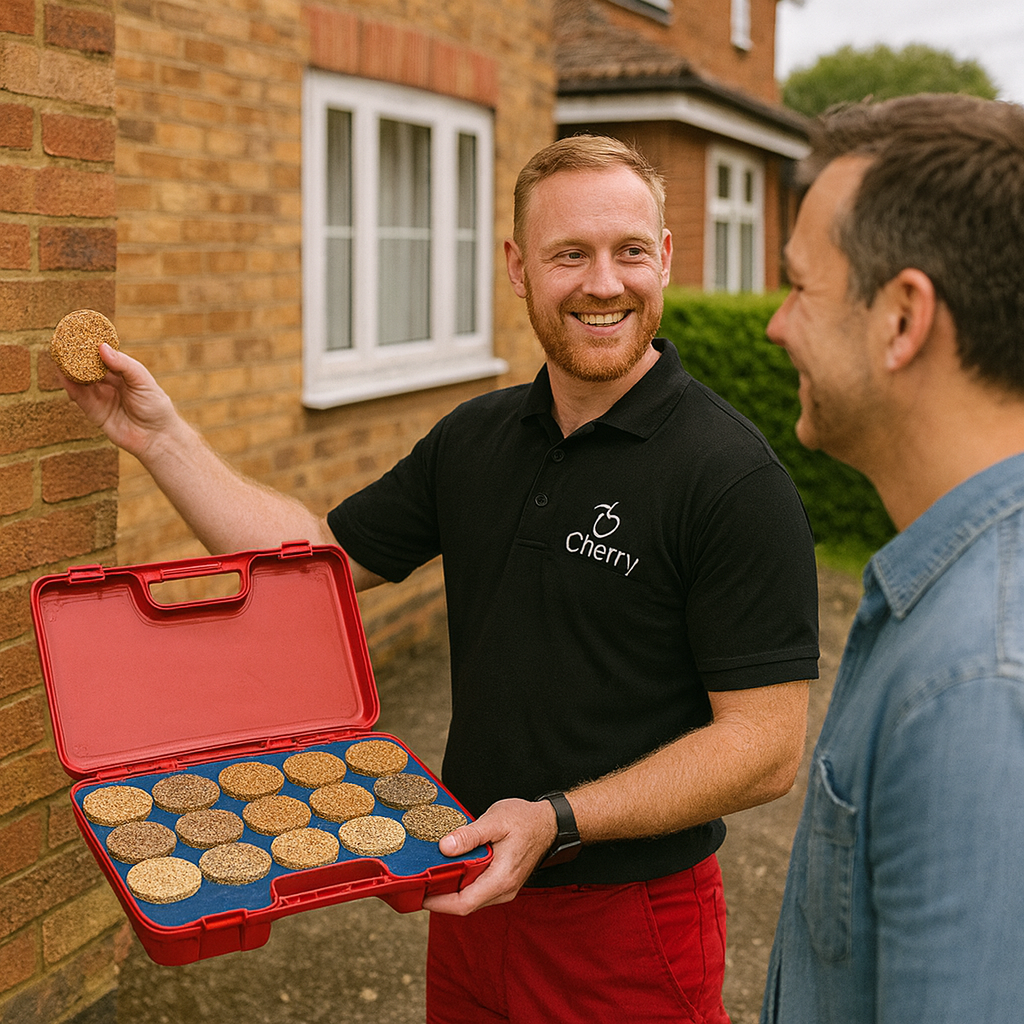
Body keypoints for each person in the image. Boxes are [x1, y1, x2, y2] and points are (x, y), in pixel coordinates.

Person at [61, 135, 819, 1023]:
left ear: (666, 259)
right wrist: (160, 437)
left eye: (630, 251)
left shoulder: (730, 477)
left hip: (624, 925)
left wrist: (558, 819)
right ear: (519, 269)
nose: (604, 283)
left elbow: (766, 748)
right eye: (569, 254)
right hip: (466, 886)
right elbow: (313, 560)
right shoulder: (477, 440)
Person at [761, 94, 1024, 1024]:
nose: (776, 326)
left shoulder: (974, 683)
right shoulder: (958, 592)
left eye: (800, 285)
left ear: (902, 319)